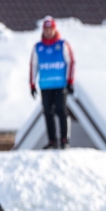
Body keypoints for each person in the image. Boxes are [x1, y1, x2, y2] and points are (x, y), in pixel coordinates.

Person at [29, 17, 75, 149]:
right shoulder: (38, 47)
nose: (49, 32)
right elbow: (33, 66)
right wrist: (32, 84)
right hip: (45, 86)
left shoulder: (62, 45)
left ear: (55, 30)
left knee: (61, 111)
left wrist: (70, 81)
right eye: (46, 29)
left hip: (60, 85)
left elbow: (71, 62)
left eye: (51, 29)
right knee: (48, 112)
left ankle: (64, 140)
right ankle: (52, 141)